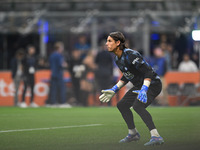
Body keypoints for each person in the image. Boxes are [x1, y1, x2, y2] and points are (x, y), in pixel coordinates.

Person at [99, 31, 164, 146]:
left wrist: (144, 89)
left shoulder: (131, 54)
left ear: (118, 43)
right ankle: (133, 134)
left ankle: (156, 136)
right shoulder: (117, 59)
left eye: (109, 41)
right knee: (122, 105)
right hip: (140, 85)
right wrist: (114, 89)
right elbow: (127, 75)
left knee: (138, 106)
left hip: (153, 84)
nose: (106, 43)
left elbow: (148, 72)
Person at [48, 41, 71, 108]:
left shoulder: (51, 55)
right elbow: (61, 64)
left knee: (53, 89)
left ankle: (52, 103)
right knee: (62, 89)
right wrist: (65, 65)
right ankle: (62, 102)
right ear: (59, 48)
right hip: (59, 74)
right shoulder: (59, 55)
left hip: (53, 74)